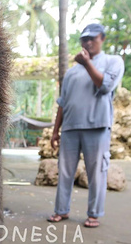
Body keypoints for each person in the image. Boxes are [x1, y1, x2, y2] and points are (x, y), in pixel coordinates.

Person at [48, 23, 124, 228]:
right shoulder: (71, 73)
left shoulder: (112, 61)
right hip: (70, 128)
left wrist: (88, 63)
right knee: (64, 172)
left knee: (96, 172)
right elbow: (62, 104)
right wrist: (55, 131)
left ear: (102, 38)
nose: (88, 42)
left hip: (97, 127)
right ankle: (61, 210)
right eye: (84, 39)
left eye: (93, 38)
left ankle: (94, 214)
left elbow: (105, 85)